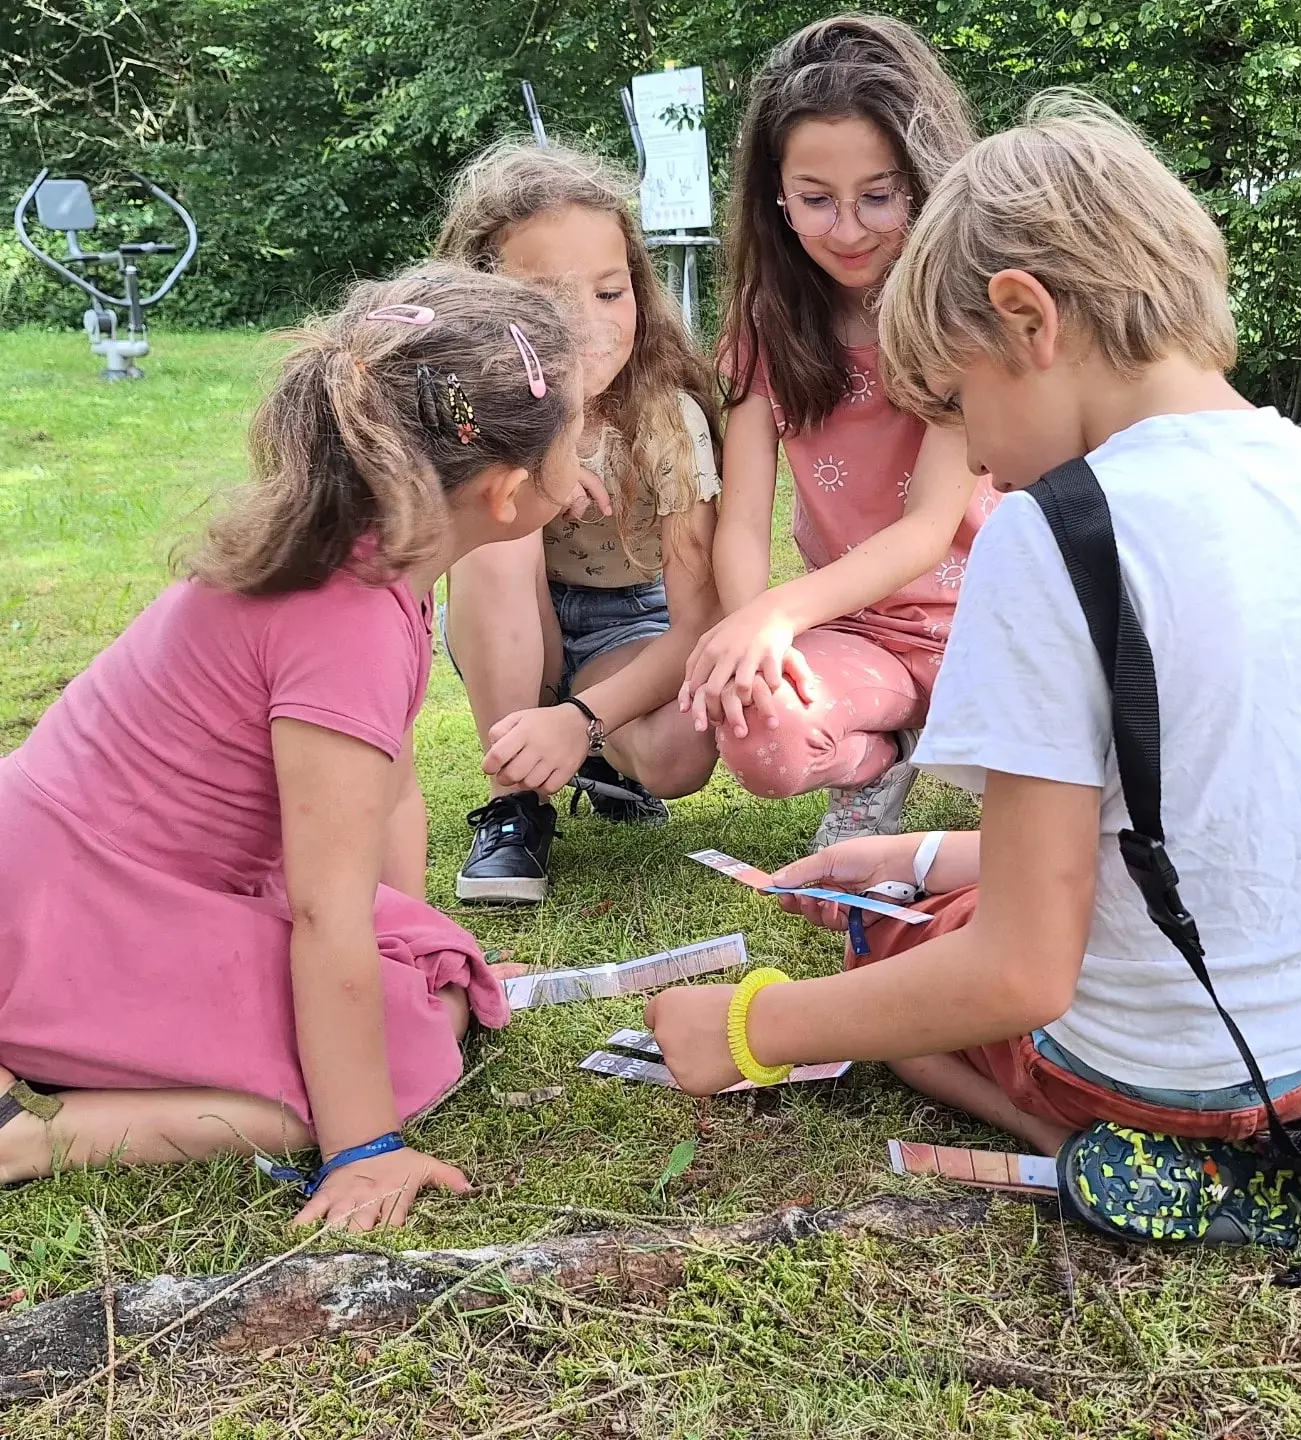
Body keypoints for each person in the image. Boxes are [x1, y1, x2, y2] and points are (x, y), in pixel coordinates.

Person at [645, 92, 1301, 1159]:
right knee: (936, 913)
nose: (973, 457)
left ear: (1027, 319)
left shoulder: (1056, 530)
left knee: (892, 972)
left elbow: (1018, 974)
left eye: (958, 401)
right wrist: (918, 851)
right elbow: (1218, 828)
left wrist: (750, 1029)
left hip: (1185, 1079)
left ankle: (1070, 1142)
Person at [0, 265, 584, 1229]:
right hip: (67, 916)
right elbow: (325, 913)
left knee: (440, 969)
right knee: (405, 1054)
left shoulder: (363, 550)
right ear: (508, 490)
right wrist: (364, 1148)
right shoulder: (349, 621)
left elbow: (387, 798)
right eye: (578, 430)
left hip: (96, 877)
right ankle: (25, 1135)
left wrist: (409, 946)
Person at [680, 15, 993, 852]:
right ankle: (880, 755)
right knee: (759, 733)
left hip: (988, 632)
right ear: (776, 198)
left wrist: (778, 611)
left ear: (927, 183)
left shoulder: (961, 312)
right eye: (816, 201)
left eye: (879, 196)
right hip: (855, 632)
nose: (848, 230)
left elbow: (930, 528)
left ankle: (946, 739)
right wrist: (755, 636)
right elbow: (742, 521)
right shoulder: (765, 322)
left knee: (1072, 780)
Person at [434, 142, 723, 904]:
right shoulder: (462, 407)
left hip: (627, 628)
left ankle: (591, 752)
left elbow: (699, 625)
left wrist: (584, 720)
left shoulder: (666, 419)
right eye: (545, 299)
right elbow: (404, 551)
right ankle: (514, 804)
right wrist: (531, 481)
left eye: (608, 291)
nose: (586, 323)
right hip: (506, 618)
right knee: (496, 524)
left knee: (682, 750)